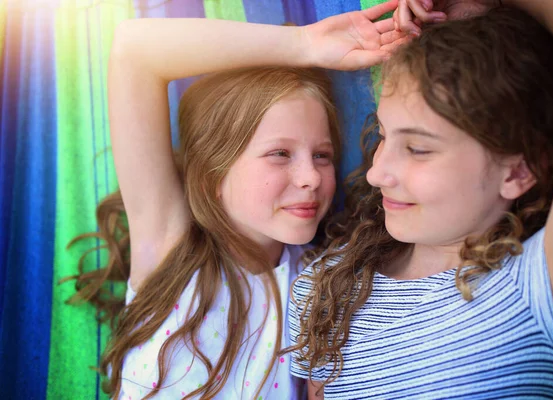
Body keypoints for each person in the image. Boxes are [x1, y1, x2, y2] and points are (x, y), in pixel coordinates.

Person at [63, 2, 407, 399]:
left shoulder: (321, 283)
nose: (311, 177)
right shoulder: (170, 250)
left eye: (322, 155)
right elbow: (133, 51)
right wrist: (303, 45)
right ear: (214, 175)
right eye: (280, 154)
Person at [288, 1, 553, 399]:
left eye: (418, 149)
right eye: (384, 136)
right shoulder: (327, 283)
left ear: (518, 171)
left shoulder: (540, 285)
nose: (376, 173)